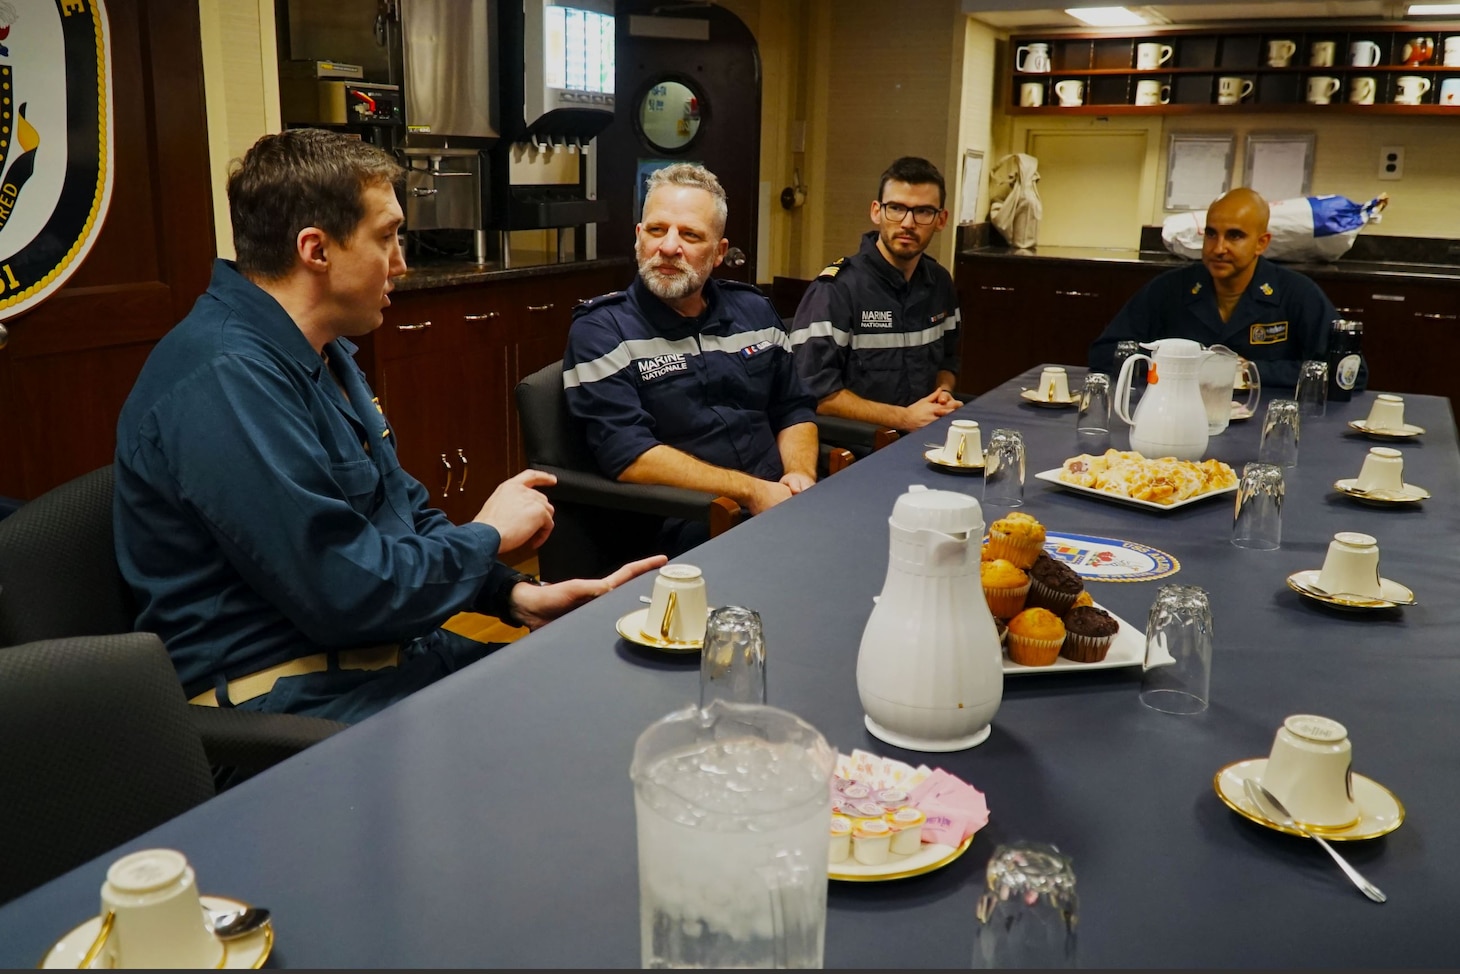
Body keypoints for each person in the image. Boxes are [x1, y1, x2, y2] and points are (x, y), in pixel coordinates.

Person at [114, 129, 662, 724]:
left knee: (595, 693)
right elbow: (348, 592)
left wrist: (512, 594)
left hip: (382, 658)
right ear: (316, 250)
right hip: (284, 701)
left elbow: (399, 512)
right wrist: (486, 535)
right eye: (387, 237)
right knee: (565, 739)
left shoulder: (324, 348)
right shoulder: (225, 377)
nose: (401, 262)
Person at [563, 163, 820, 548]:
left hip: (779, 500)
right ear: (638, 238)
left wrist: (798, 475)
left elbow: (794, 407)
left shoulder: (753, 309)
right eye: (656, 230)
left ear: (718, 253)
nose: (668, 247)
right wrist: (750, 491)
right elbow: (631, 454)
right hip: (690, 522)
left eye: (689, 235)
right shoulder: (600, 331)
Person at [1089, 187, 1346, 390]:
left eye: (1234, 236)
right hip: (1178, 417)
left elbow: (1346, 374)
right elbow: (1104, 353)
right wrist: (1178, 366)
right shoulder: (1170, 288)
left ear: (1261, 243)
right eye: (1211, 234)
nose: (1218, 248)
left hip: (1262, 421)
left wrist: (1253, 372)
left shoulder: (1297, 293)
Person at [789, 156, 963, 431]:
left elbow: (949, 361)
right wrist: (903, 419)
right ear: (876, 212)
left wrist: (943, 393)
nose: (908, 223)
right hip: (861, 448)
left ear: (941, 219)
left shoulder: (940, 282)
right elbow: (816, 394)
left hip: (927, 436)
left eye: (923, 212)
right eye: (896, 208)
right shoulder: (836, 289)